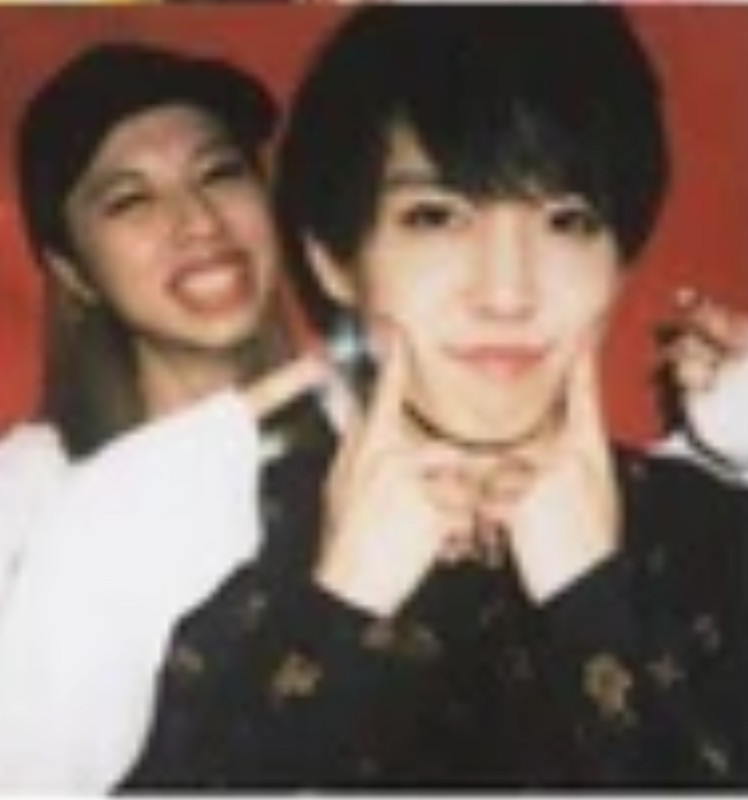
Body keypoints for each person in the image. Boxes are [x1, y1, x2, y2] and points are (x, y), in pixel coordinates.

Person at [122, 5, 746, 790]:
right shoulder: (210, 540)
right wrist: (340, 606)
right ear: (333, 261)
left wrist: (591, 605)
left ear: (620, 264)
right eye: (436, 217)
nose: (507, 293)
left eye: (566, 220)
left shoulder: (712, 536)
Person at [0, 41, 326, 792]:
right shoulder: (32, 492)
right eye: (131, 200)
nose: (198, 221)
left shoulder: (380, 442)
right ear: (73, 271)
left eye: (219, 173)